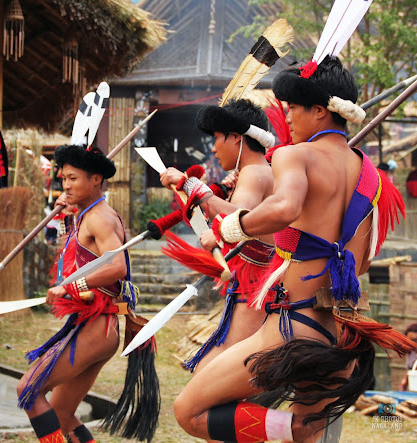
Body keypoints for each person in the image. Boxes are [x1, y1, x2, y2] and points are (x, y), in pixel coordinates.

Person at [169, 57, 413, 442]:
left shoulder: (293, 155)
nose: (288, 116)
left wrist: (236, 226)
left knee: (189, 410)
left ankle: (294, 429)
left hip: (290, 331)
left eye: (294, 107)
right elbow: (361, 261)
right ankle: (299, 430)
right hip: (340, 333)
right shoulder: (374, 179)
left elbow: (284, 208)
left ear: (320, 110)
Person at [16, 145, 159, 443]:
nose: (66, 185)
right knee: (62, 414)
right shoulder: (86, 215)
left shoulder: (100, 218)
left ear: (96, 179)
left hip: (98, 327)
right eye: (63, 178)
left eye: (73, 178)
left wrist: (71, 287)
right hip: (97, 329)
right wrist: (67, 217)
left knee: (28, 390)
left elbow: (117, 266)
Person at [160, 99, 276, 372]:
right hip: (249, 288)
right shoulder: (253, 172)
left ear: (236, 138)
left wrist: (189, 184)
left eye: (216, 138)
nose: (212, 148)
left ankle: (287, 420)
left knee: (208, 378)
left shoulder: (255, 173)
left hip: (255, 291)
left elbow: (239, 218)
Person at [400, 323, 417, 391]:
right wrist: (404, 382)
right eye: (408, 341)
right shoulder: (412, 352)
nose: (411, 344)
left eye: (415, 340)